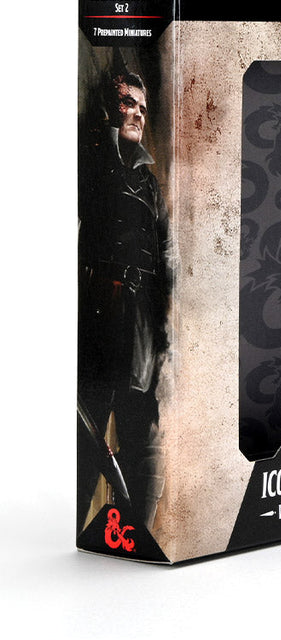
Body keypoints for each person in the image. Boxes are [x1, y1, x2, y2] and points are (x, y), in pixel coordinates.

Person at [78, 71, 171, 532]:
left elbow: (169, 260)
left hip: (143, 330)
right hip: (98, 317)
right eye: (127, 103)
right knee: (85, 442)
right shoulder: (89, 163)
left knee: (147, 451)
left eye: (142, 108)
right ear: (109, 108)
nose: (137, 113)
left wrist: (166, 339)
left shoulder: (151, 186)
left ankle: (139, 537)